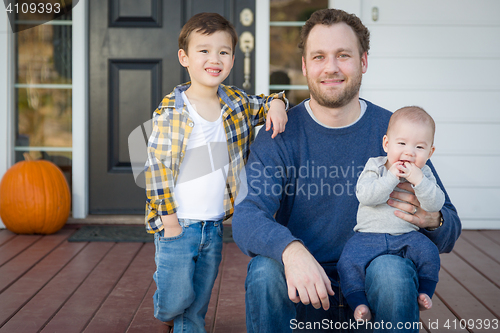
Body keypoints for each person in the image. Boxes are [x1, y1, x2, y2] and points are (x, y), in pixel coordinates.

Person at [232, 8, 461, 333]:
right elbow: (246, 215)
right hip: (304, 292)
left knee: (393, 272)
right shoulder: (279, 134)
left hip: (370, 292)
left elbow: (450, 226)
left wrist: (432, 219)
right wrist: (290, 250)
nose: (331, 67)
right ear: (305, 66)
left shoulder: (394, 131)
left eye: (343, 55)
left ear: (363, 61)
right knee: (264, 272)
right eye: (319, 56)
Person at [144, 12, 288, 333]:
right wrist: (168, 223)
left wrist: (276, 104)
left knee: (198, 299)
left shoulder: (235, 102)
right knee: (176, 297)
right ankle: (166, 303)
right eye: (204, 50)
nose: (214, 59)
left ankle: (186, 323)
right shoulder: (172, 111)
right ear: (185, 57)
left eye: (223, 52)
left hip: (213, 224)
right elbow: (156, 170)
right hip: (177, 224)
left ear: (233, 58)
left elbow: (263, 102)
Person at [337, 106, 445, 323]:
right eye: (402, 143)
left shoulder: (423, 173)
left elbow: (436, 204)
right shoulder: (375, 167)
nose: (409, 152)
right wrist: (391, 178)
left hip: (406, 237)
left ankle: (425, 290)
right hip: (368, 236)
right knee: (347, 261)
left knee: (430, 252)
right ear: (387, 144)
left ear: (430, 153)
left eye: (419, 147)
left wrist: (419, 181)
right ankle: (358, 302)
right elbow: (365, 196)